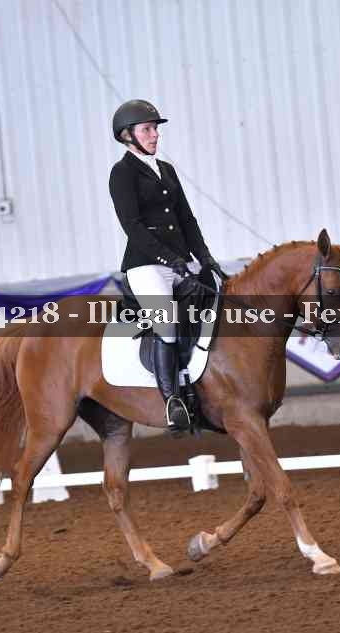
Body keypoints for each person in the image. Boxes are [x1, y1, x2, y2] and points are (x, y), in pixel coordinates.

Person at [108, 99, 227, 433]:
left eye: (155, 129)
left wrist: (205, 258)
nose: (155, 134)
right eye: (147, 129)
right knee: (167, 322)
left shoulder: (167, 170)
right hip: (147, 265)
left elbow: (187, 219)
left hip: (181, 262)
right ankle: (173, 401)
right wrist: (169, 259)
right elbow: (133, 226)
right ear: (127, 135)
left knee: (217, 303)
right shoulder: (122, 173)